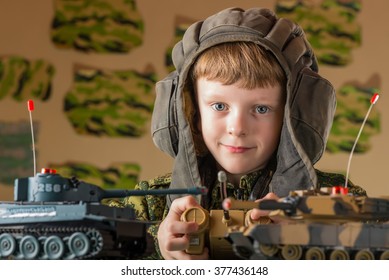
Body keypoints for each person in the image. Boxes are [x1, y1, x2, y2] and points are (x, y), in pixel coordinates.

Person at [110, 7, 366, 260]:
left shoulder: (339, 204)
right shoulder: (147, 207)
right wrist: (157, 247)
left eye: (261, 108)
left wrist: (310, 248)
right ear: (189, 111)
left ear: (293, 115)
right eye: (219, 106)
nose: (238, 127)